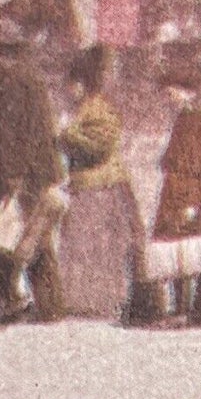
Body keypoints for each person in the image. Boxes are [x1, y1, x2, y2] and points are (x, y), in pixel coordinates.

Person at [0, 21, 67, 323]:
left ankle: (17, 299)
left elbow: (13, 134)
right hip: (36, 171)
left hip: (24, 174)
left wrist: (13, 175)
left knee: (22, 235)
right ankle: (48, 304)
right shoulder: (26, 78)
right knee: (35, 235)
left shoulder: (11, 81)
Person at [56, 45, 143, 322]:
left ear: (83, 83)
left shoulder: (98, 109)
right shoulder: (84, 108)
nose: (69, 91)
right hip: (86, 186)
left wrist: (66, 136)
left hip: (100, 186)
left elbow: (99, 146)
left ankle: (100, 300)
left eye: (73, 85)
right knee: (83, 246)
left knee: (96, 247)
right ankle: (82, 300)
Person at [146, 52, 201, 326]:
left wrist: (191, 202)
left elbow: (198, 164)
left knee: (192, 251)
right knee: (183, 252)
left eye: (173, 91)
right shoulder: (185, 118)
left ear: (189, 92)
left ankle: (196, 309)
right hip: (179, 191)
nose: (168, 97)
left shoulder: (194, 120)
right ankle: (186, 309)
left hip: (189, 193)